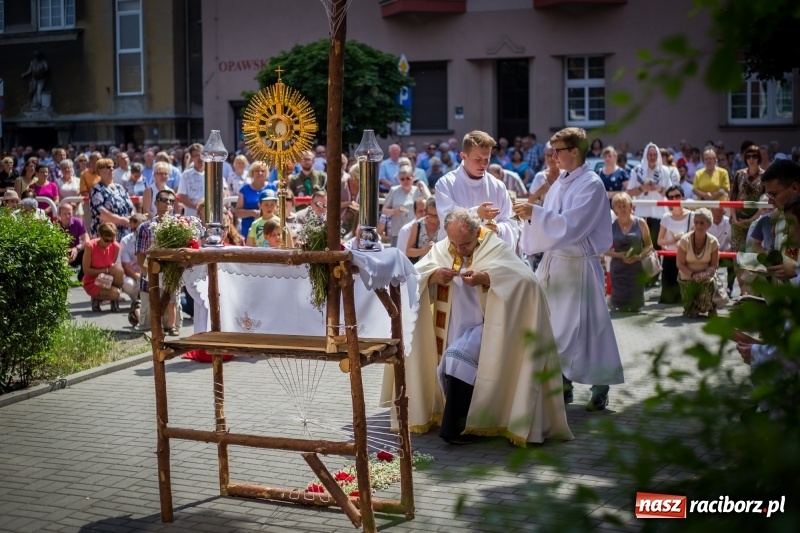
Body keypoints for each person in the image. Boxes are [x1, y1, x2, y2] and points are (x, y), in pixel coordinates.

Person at [381, 207, 572, 445]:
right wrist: (433, 277)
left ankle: (458, 429)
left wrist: (488, 279)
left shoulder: (496, 248)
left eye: (466, 244)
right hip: (452, 327)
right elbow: (412, 276)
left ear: (477, 233)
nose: (460, 250)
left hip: (490, 326)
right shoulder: (442, 249)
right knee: (450, 363)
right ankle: (461, 422)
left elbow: (528, 283)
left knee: (457, 360)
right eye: (455, 244)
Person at [514, 127, 624, 412]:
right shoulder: (561, 182)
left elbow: (572, 224)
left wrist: (534, 213)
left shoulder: (591, 184)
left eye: (558, 151)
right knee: (550, 327)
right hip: (554, 265)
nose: (553, 156)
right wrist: (530, 217)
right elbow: (550, 223)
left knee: (589, 329)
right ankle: (562, 385)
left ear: (574, 151)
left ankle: (601, 385)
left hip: (579, 267)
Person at [435, 130, 518, 250]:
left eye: (487, 159)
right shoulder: (446, 184)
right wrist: (475, 214)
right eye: (478, 159)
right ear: (463, 156)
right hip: (456, 258)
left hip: (490, 256)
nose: (483, 164)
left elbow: (511, 224)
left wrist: (498, 229)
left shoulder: (498, 186)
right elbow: (448, 222)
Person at [627, 143, 673, 285]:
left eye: (654, 155)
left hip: (659, 213)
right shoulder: (637, 170)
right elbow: (629, 192)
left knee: (657, 246)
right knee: (642, 245)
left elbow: (671, 194)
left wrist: (658, 188)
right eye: (650, 154)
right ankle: (643, 276)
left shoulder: (665, 171)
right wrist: (642, 187)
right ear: (646, 155)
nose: (652, 157)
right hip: (641, 213)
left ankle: (654, 276)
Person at [606, 193, 652, 311]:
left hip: (636, 268)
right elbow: (603, 249)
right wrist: (619, 255)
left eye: (624, 206)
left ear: (631, 206)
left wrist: (639, 256)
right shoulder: (611, 226)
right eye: (619, 206)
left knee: (635, 307)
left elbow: (649, 245)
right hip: (618, 268)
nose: (622, 209)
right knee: (619, 308)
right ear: (614, 209)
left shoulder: (641, 222)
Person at [676, 208, 720, 318]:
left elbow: (714, 265)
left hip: (706, 276)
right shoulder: (684, 240)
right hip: (687, 276)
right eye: (696, 222)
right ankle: (691, 306)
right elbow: (680, 264)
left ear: (709, 225)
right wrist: (693, 274)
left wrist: (706, 274)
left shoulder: (713, 241)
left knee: (710, 282)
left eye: (702, 223)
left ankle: (711, 307)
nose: (699, 226)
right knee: (691, 313)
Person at [657, 185, 693, 304]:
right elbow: (659, 241)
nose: (674, 199)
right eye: (671, 197)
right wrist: (674, 241)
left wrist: (682, 240)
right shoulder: (666, 217)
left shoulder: (692, 215)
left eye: (677, 196)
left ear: (682, 197)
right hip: (670, 256)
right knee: (669, 298)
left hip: (686, 256)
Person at [381, 165, 431, 247]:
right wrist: (394, 211)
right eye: (402, 179)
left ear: (413, 177)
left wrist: (422, 184)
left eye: (408, 178)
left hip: (416, 230)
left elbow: (429, 201)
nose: (405, 181)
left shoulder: (417, 190)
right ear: (399, 180)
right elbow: (384, 210)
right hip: (397, 230)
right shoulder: (394, 190)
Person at [730, 145, 765, 253]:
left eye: (754, 156)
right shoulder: (739, 174)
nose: (751, 159)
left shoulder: (765, 176)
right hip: (738, 220)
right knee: (737, 252)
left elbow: (765, 202)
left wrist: (751, 220)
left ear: (759, 158)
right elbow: (732, 199)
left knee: (753, 252)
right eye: (748, 156)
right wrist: (735, 220)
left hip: (756, 220)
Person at [82, 222, 124, 313]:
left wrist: (107, 271)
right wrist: (105, 270)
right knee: (116, 293)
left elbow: (111, 265)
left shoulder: (116, 246)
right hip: (92, 281)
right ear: (99, 235)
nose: (109, 243)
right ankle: (96, 298)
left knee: (119, 271)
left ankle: (113, 300)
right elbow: (86, 271)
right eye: (106, 240)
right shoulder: (90, 246)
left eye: (112, 240)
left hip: (106, 277)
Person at [89, 158, 135, 240]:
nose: (112, 169)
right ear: (99, 171)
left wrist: (131, 219)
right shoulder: (97, 189)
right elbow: (101, 212)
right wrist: (120, 220)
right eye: (108, 167)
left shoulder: (119, 187)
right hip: (107, 233)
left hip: (126, 232)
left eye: (113, 167)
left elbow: (130, 206)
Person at [235, 160, 270, 238]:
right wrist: (252, 213)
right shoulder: (244, 190)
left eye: (263, 171)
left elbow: (278, 209)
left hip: (269, 230)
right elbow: (237, 212)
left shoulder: (272, 188)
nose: (260, 173)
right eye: (257, 171)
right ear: (252, 173)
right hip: (248, 231)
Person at [57, 202, 89, 281]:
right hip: (62, 252)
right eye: (64, 214)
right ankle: (61, 279)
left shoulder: (78, 222)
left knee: (89, 248)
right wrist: (65, 252)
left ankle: (83, 276)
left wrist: (76, 249)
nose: (67, 216)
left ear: (73, 213)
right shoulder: (56, 225)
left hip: (76, 251)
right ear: (59, 214)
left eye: (69, 213)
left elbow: (87, 239)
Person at [405, 197, 439, 264]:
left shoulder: (444, 225)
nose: (434, 219)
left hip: (439, 267)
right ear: (426, 212)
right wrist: (424, 250)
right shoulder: (418, 225)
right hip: (421, 268)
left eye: (436, 216)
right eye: (431, 215)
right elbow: (408, 252)